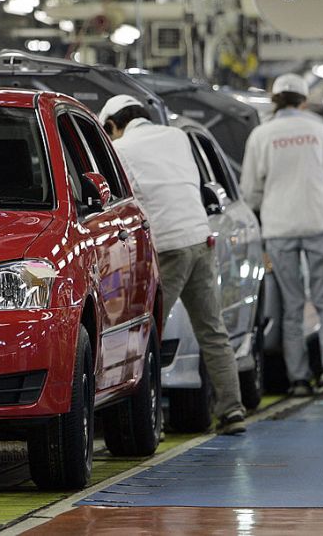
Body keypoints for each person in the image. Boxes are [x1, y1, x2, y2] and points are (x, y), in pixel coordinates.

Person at [99, 94, 247, 435]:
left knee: (146, 337)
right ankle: (232, 408)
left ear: (111, 125)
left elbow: (125, 201)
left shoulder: (122, 150)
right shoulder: (177, 136)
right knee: (212, 329)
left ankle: (149, 424)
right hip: (199, 240)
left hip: (167, 248)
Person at [240, 73, 323, 397]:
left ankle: (299, 378)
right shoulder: (318, 129)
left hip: (279, 229)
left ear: (275, 98)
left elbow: (250, 191)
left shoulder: (262, 135)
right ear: (303, 100)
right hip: (318, 223)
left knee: (291, 306)